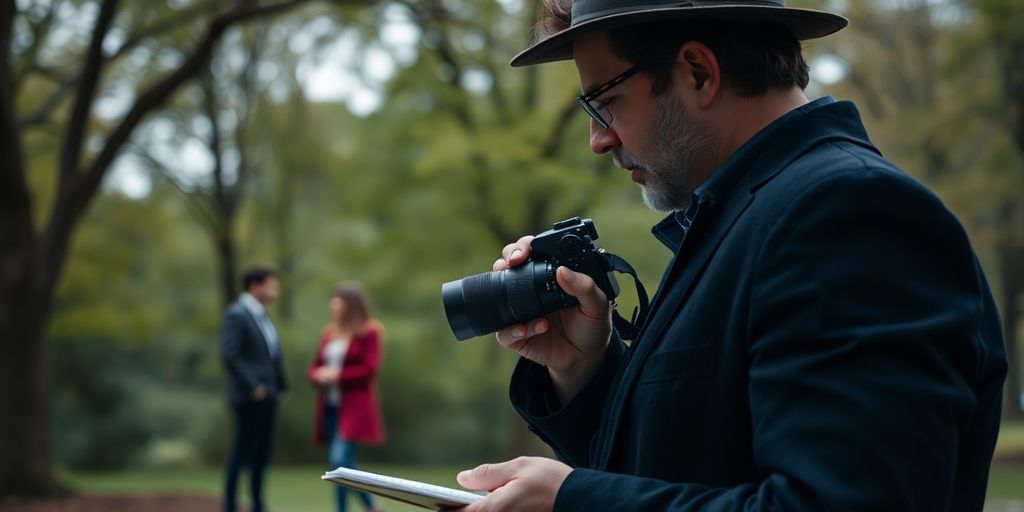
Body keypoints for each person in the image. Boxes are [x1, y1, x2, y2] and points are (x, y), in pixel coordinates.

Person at [454, 1, 1009, 511]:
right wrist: (585, 367)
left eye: (605, 103)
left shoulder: (852, 214)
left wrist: (577, 501)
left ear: (698, 71)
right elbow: (693, 461)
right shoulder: (749, 215)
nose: (598, 140)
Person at [309, 281, 385, 512]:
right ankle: (371, 505)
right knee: (341, 464)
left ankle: (349, 508)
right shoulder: (329, 333)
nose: (333, 304)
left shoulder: (370, 331)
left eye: (338, 300)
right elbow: (315, 366)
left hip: (354, 406)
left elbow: (369, 369)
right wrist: (318, 375)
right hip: (330, 407)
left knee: (339, 461)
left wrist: (337, 375)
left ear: (351, 304)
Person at [220, 265, 287, 512]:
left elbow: (272, 355)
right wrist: (254, 387)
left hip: (268, 397)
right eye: (271, 285)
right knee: (240, 454)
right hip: (249, 397)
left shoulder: (263, 316)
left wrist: (280, 385)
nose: (275, 291)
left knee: (261, 455)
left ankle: (257, 504)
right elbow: (230, 355)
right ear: (255, 286)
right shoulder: (237, 314)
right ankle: (229, 506)